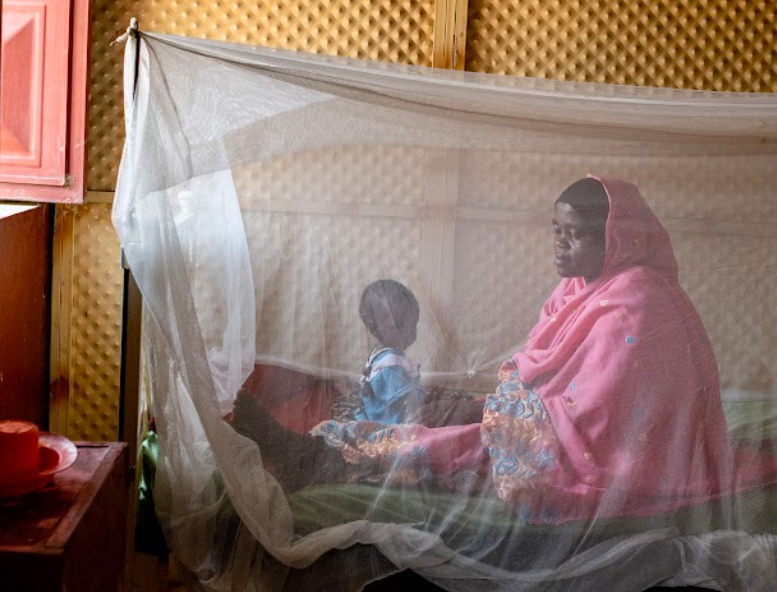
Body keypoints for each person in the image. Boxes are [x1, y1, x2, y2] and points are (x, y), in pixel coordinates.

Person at [231, 175, 772, 520]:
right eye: (555, 230)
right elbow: (543, 368)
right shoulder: (582, 286)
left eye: (576, 234)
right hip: (563, 423)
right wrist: (506, 404)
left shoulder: (639, 300)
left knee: (460, 445)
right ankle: (325, 453)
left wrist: (511, 418)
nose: (560, 245)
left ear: (617, 238)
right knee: (462, 422)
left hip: (603, 454)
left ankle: (320, 459)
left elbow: (601, 414)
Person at [331, 279, 425, 425]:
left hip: (375, 413)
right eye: (399, 325)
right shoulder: (391, 363)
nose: (409, 330)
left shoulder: (381, 353)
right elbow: (404, 403)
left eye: (413, 323)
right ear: (374, 328)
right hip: (389, 422)